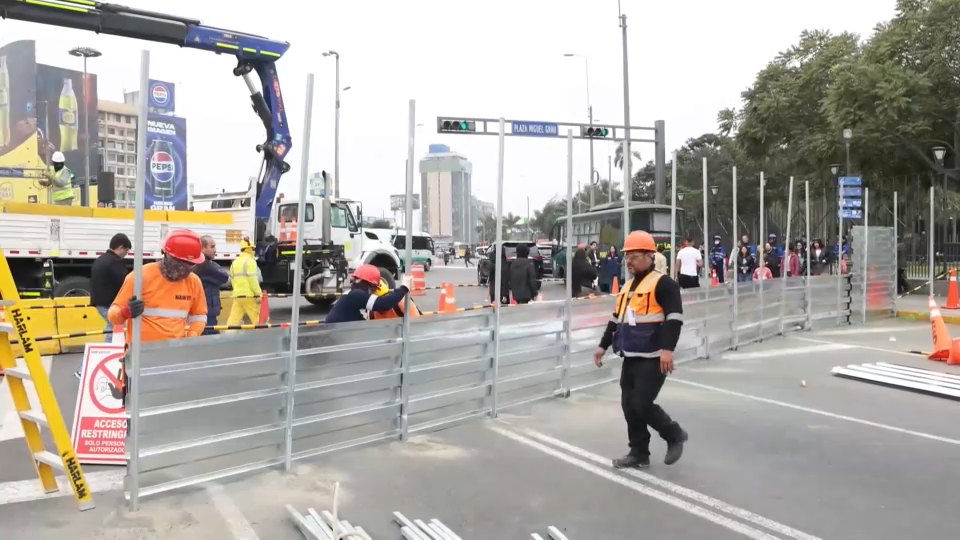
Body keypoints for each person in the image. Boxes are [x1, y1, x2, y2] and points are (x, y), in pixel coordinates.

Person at [593, 230, 687, 469]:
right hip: (631, 356)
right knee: (629, 406)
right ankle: (639, 452)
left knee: (641, 404)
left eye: (634, 256)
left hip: (654, 357)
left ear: (649, 255)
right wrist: (602, 346)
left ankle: (674, 434)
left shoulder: (664, 284)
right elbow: (616, 320)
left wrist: (668, 349)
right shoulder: (627, 287)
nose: (629, 261)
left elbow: (674, 318)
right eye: (627, 257)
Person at [108, 229, 208, 345]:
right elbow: (113, 316)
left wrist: (193, 335)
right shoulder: (141, 276)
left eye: (191, 264)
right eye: (183, 264)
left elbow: (199, 316)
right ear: (167, 256)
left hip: (174, 351)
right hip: (140, 351)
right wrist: (124, 312)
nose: (188, 269)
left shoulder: (193, 282)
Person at [80, 233, 131, 378]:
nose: (126, 254)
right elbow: (125, 282)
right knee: (113, 334)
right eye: (126, 250)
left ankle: (93, 367)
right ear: (120, 247)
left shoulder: (101, 260)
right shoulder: (115, 262)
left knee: (112, 332)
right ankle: (84, 369)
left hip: (100, 303)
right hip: (110, 305)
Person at [325, 264, 413, 323]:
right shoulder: (356, 295)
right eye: (373, 288)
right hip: (334, 336)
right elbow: (384, 304)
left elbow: (358, 320)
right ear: (367, 283)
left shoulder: (348, 296)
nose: (373, 292)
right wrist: (404, 287)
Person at [193, 235, 229, 335]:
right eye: (212, 247)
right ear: (203, 248)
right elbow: (224, 277)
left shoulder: (197, 263)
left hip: (203, 309)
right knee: (209, 338)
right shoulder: (206, 264)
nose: (215, 250)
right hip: (207, 310)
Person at [227, 239, 262, 327]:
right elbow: (253, 280)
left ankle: (228, 334)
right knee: (258, 318)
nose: (254, 251)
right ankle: (263, 333)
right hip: (249, 295)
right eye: (253, 249)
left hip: (237, 295)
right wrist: (258, 293)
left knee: (233, 319)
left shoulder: (235, 262)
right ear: (249, 249)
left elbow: (233, 280)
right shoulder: (250, 261)